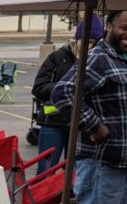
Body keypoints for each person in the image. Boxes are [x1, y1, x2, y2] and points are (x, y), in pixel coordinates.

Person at [51, 10, 127, 204]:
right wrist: (93, 124)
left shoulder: (123, 60)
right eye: (124, 27)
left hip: (123, 162)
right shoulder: (100, 58)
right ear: (109, 26)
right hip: (101, 161)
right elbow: (63, 92)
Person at [32, 15, 105, 173]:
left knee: (76, 173)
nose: (89, 46)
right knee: (46, 171)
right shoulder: (58, 57)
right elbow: (38, 88)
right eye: (85, 41)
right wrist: (65, 88)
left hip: (82, 126)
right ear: (76, 39)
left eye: (93, 42)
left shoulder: (99, 61)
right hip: (53, 122)